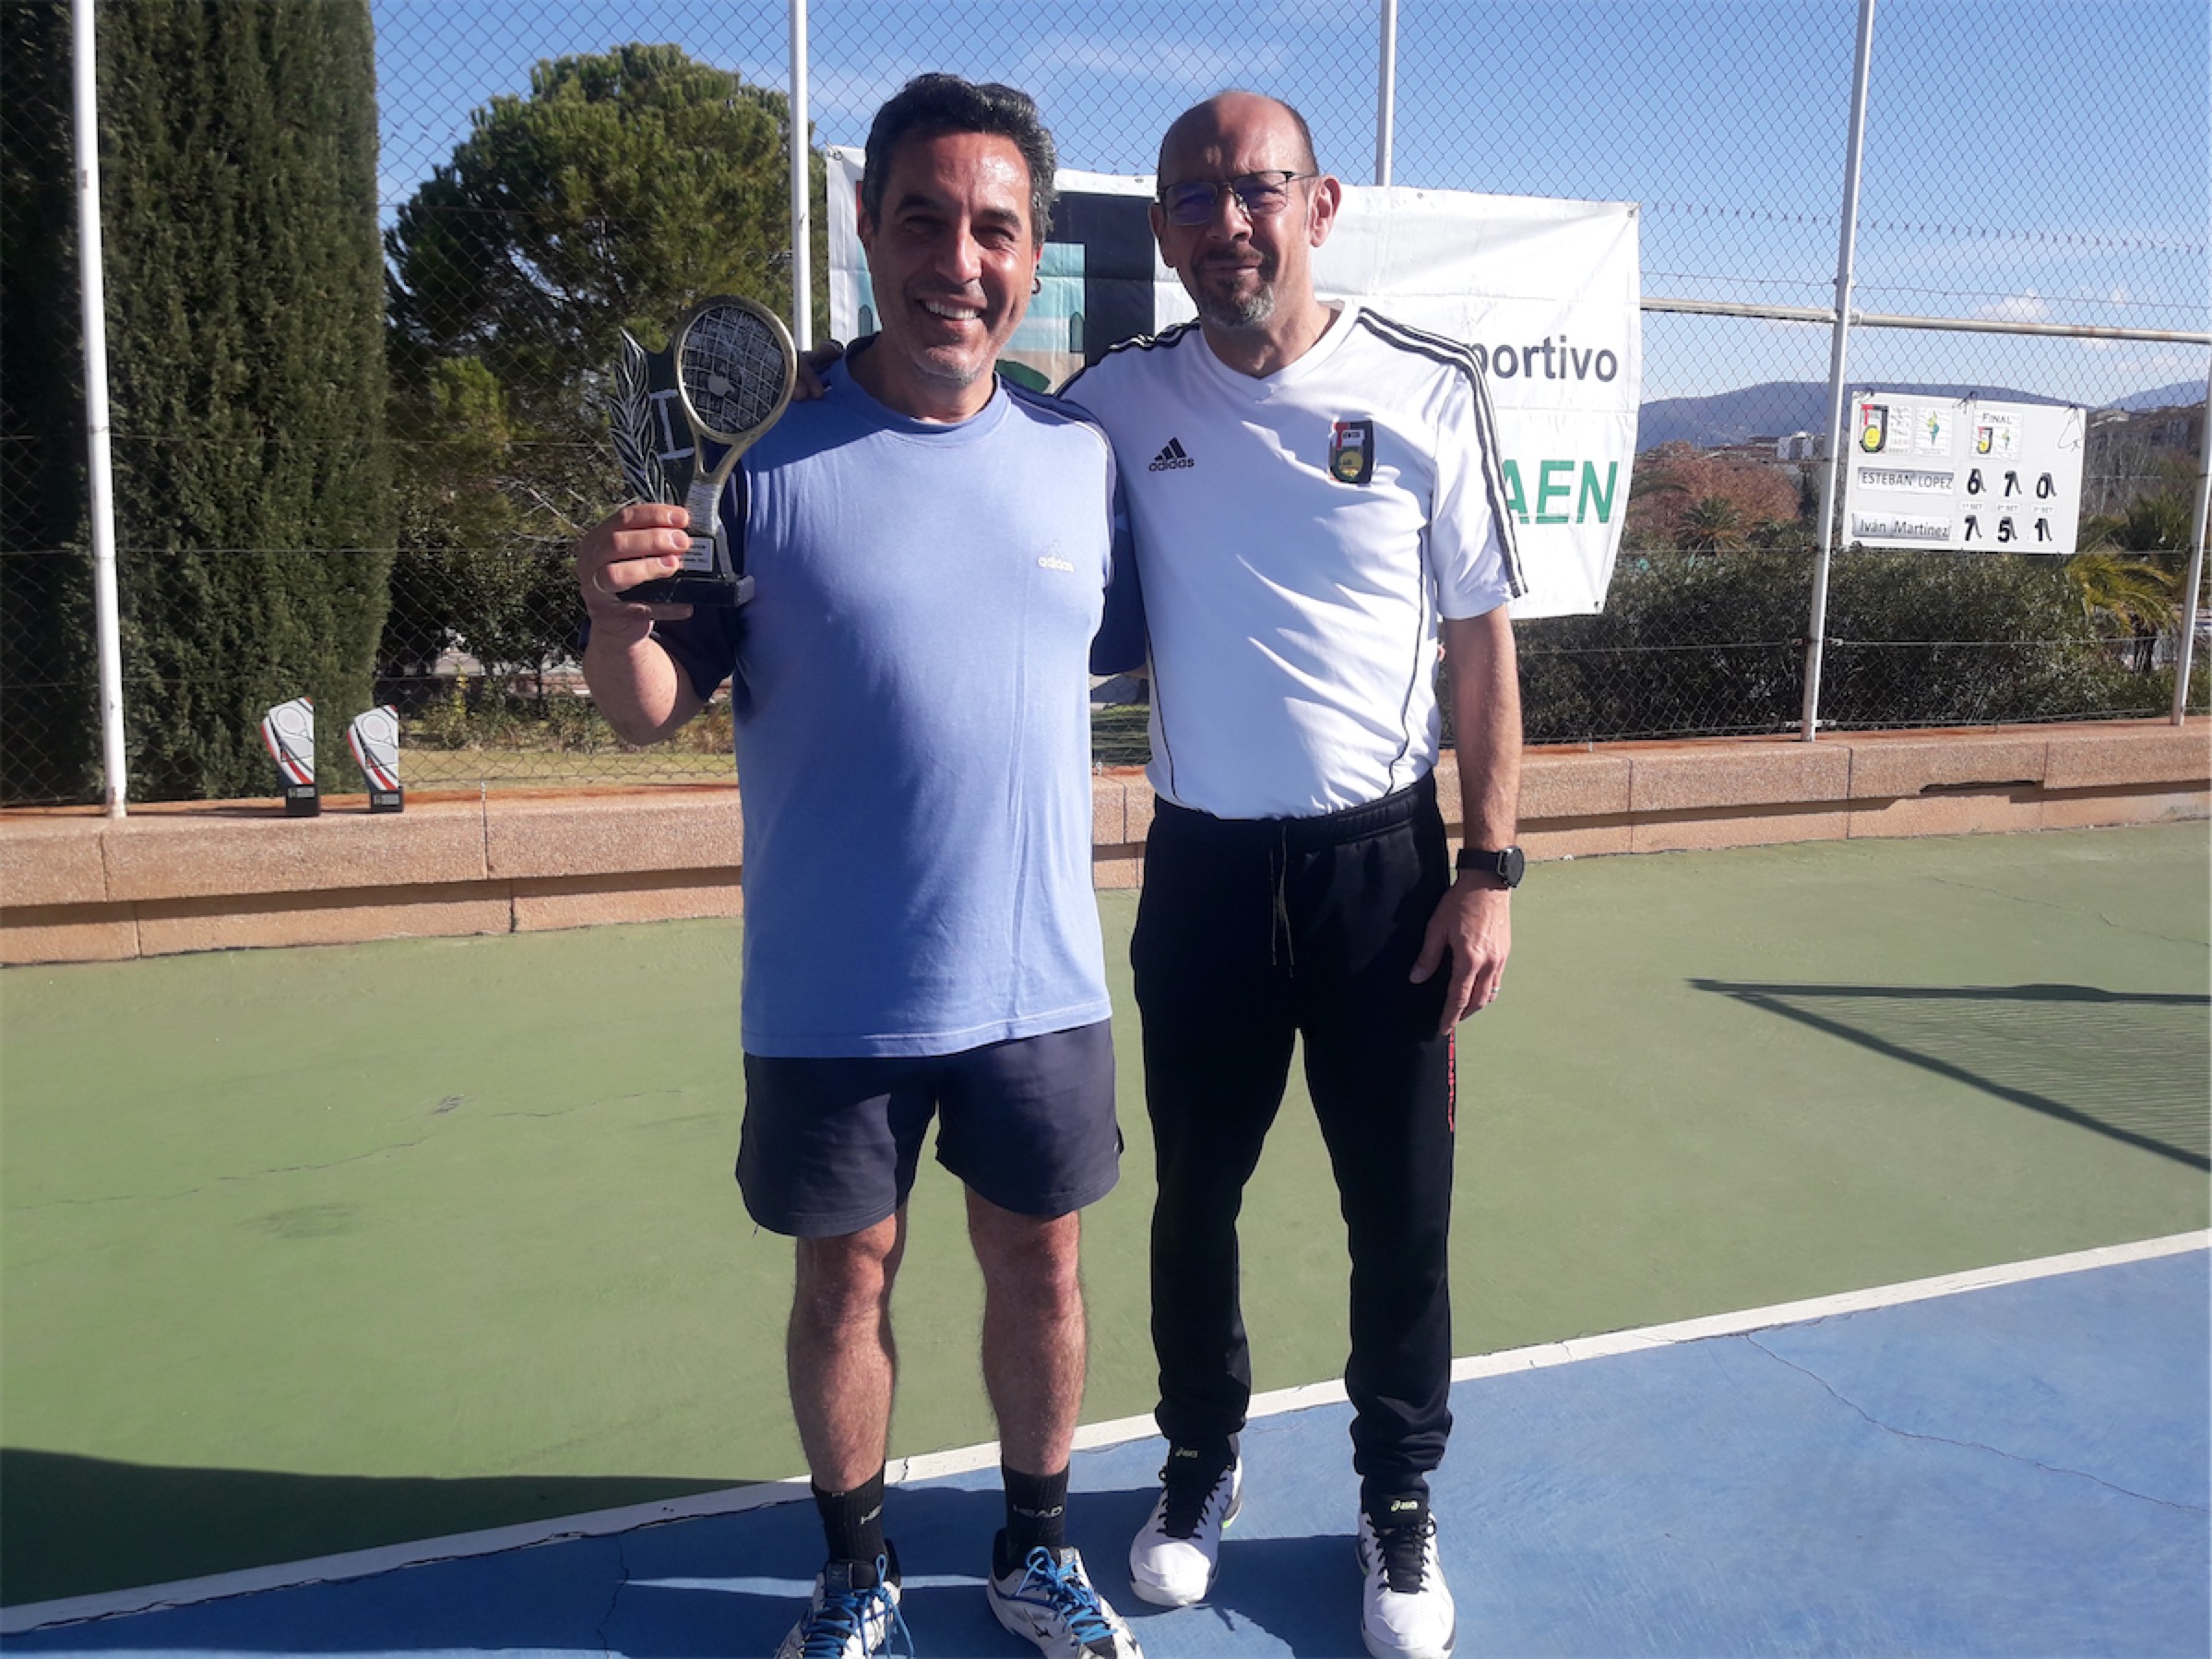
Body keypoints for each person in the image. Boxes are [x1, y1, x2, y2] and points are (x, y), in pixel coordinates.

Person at [575, 75, 1141, 1659]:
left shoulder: (1081, 459)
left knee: (1043, 1268)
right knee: (845, 1283)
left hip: (1038, 984)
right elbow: (644, 708)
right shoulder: (765, 459)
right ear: (867, 231)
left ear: (1032, 252)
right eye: (922, 220)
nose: (958, 259)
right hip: (831, 990)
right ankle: (855, 1572)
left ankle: (1036, 1552)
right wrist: (612, 611)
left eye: (993, 229)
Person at [1061, 91, 1525, 1659]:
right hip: (1199, 872)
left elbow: (1480, 646)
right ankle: (1198, 1462)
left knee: (1398, 1208)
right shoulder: (1116, 399)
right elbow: (964, 443)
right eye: (1191, 200)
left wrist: (1488, 866)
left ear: (1316, 205)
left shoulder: (1425, 387)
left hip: (1380, 877)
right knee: (1192, 1199)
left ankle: (1395, 1493)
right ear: (1162, 229)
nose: (1225, 223)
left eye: (1253, 190)